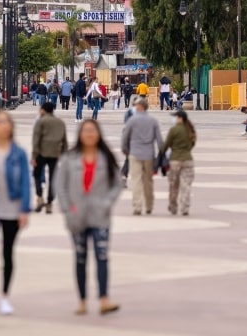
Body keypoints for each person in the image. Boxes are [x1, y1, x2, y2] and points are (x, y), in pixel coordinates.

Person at [54, 119, 122, 316]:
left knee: (102, 256)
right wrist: (68, 209)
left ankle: (104, 299)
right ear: (80, 134)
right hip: (77, 216)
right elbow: (61, 186)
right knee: (80, 258)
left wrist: (106, 203)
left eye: (93, 131)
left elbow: (117, 184)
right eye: (86, 131)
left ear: (98, 134)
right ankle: (82, 301)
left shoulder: (105, 158)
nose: (90, 134)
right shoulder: (70, 158)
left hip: (100, 216)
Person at [0, 111, 31, 316]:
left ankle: (4, 296)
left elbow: (25, 184)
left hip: (11, 209)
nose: (3, 126)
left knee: (7, 253)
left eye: (6, 122)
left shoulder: (18, 153)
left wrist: (24, 209)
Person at [121, 98, 162, 215]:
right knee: (148, 181)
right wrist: (161, 154)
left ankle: (137, 206)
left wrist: (125, 149)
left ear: (140, 107)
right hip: (149, 154)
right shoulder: (153, 121)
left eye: (136, 105)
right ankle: (149, 205)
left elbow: (125, 136)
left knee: (136, 180)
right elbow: (159, 140)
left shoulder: (132, 121)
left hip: (134, 153)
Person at [32, 101, 67, 213]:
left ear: (44, 110)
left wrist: (34, 156)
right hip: (55, 153)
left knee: (37, 174)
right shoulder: (60, 122)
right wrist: (63, 153)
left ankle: (39, 196)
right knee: (53, 178)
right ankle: (50, 203)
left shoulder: (41, 121)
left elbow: (36, 139)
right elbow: (64, 140)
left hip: (41, 152)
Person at [161, 110, 196, 216]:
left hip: (175, 160)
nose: (175, 119)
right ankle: (185, 207)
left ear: (180, 118)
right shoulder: (190, 130)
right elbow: (192, 143)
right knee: (186, 185)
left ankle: (173, 206)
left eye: (176, 117)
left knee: (173, 185)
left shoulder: (174, 130)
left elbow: (166, 144)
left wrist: (161, 155)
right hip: (188, 160)